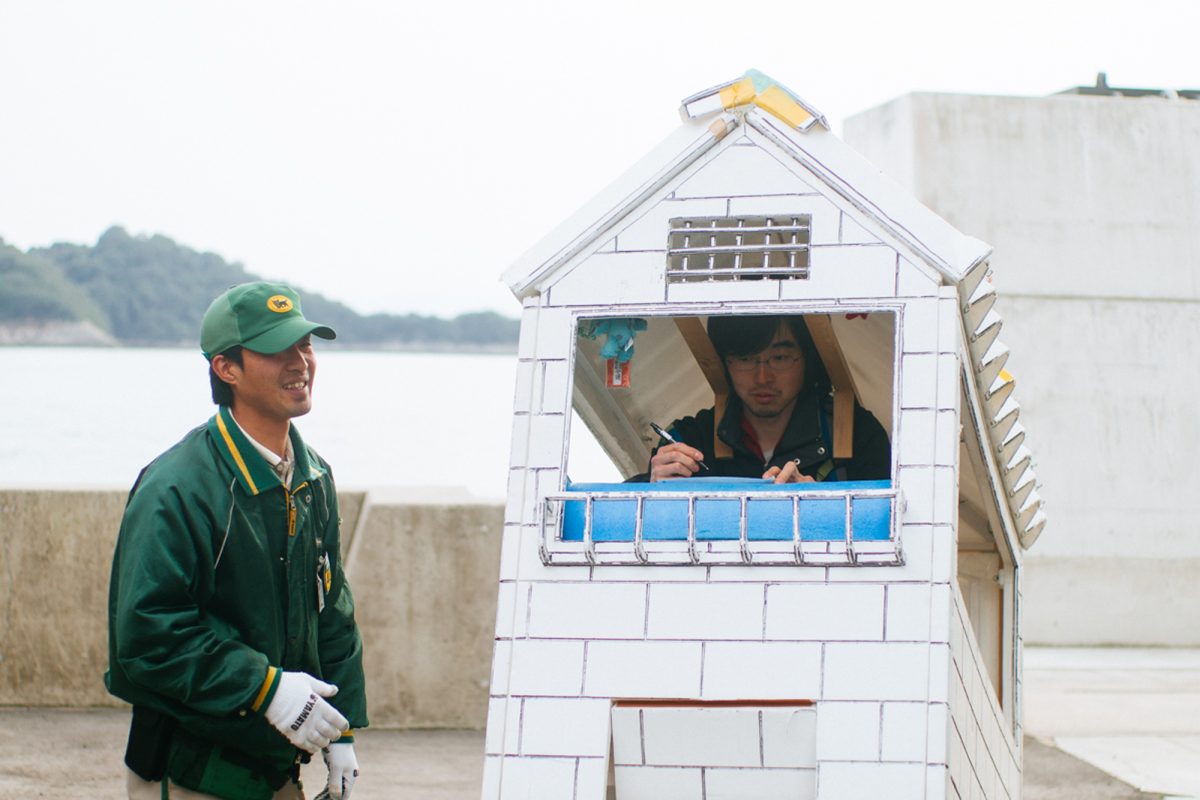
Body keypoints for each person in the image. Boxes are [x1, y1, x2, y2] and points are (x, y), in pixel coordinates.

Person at [106, 281, 367, 800]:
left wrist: (343, 730)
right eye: (277, 349)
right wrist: (265, 689)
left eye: (306, 345)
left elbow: (333, 612)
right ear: (226, 368)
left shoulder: (313, 477)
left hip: (276, 768)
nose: (300, 362)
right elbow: (147, 636)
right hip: (193, 772)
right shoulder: (177, 485)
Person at [643, 314, 890, 483]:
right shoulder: (689, 439)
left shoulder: (859, 436)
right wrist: (649, 492)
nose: (762, 377)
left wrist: (817, 505)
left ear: (808, 358)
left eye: (780, 357)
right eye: (745, 358)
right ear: (724, 362)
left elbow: (888, 534)